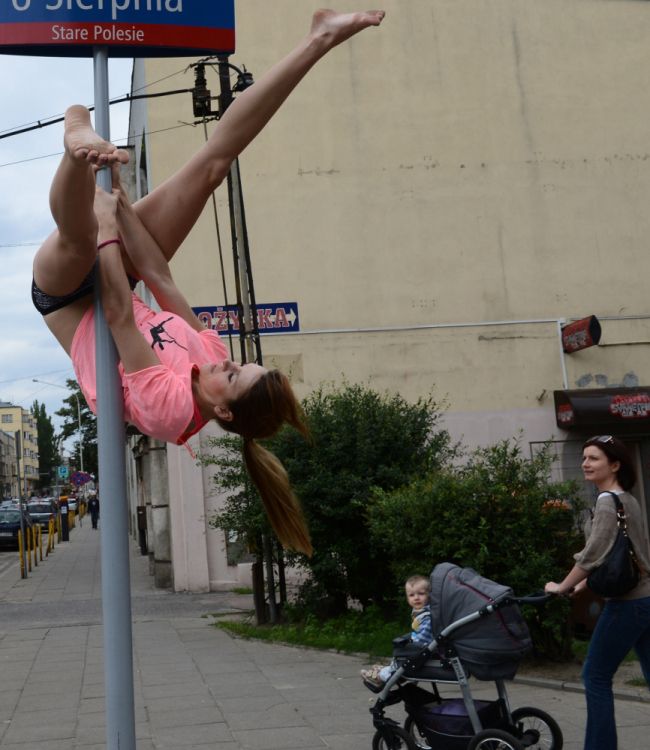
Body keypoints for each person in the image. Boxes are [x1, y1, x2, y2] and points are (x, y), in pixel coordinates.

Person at [31, 9, 386, 557]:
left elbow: (122, 318)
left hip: (71, 302)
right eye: (243, 362)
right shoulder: (208, 355)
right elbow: (158, 276)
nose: (229, 361)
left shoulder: (174, 409)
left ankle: (74, 137)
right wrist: (122, 209)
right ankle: (320, 39)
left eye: (234, 375)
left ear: (222, 411)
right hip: (119, 275)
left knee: (75, 239)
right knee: (212, 166)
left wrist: (104, 228)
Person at [544, 435, 650, 750]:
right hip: (646, 599)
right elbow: (623, 556)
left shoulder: (607, 502)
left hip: (627, 605)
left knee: (596, 677)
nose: (585, 464)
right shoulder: (627, 499)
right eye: (584, 457)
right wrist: (583, 585)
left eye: (594, 459)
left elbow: (593, 554)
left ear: (615, 464)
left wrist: (561, 586)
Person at [360, 574, 433, 687]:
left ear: (429, 594)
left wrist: (410, 645)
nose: (416, 598)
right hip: (421, 649)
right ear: (407, 597)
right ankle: (390, 667)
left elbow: (423, 639)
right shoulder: (420, 612)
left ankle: (381, 677)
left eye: (421, 594)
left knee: (401, 651)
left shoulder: (427, 616)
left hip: (423, 652)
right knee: (402, 648)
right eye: (411, 595)